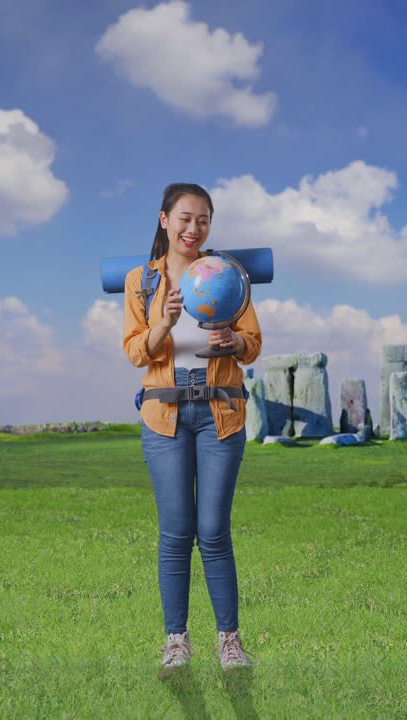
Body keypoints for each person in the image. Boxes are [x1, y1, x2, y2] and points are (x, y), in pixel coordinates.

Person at [121, 182, 262, 678]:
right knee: (176, 533)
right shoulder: (141, 281)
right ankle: (177, 642)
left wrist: (233, 342)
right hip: (164, 416)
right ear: (164, 220)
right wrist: (165, 323)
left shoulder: (227, 276)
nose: (193, 227)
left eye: (203, 219)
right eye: (184, 217)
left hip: (221, 413)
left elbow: (254, 342)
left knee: (213, 531)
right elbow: (136, 350)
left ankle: (230, 642)